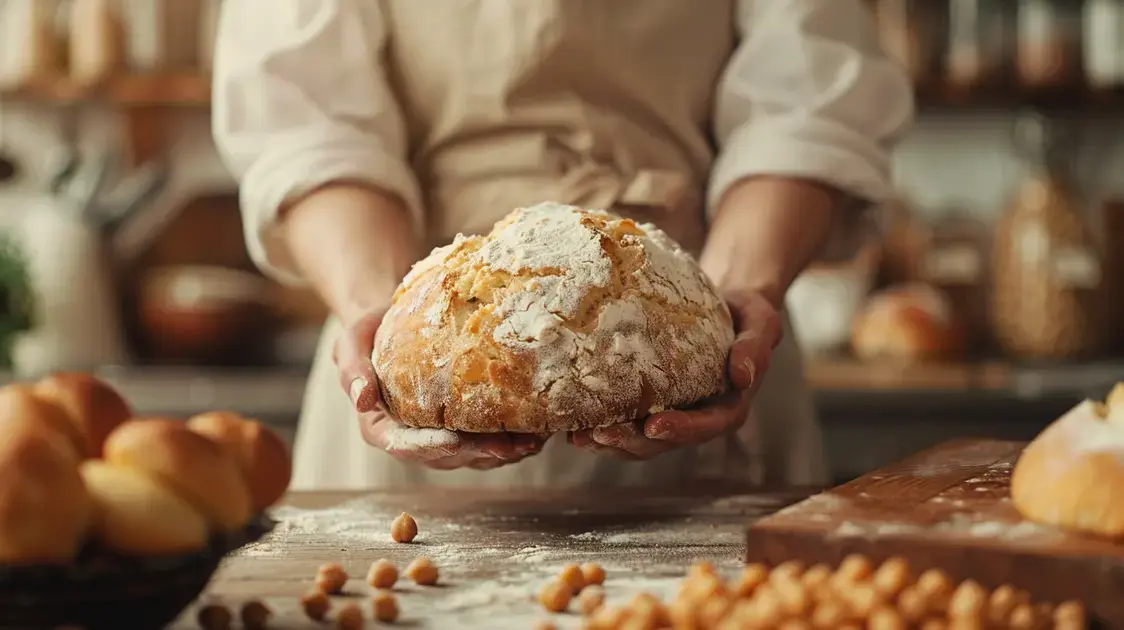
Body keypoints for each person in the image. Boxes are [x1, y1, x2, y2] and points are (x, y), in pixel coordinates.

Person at [211, 0, 914, 490]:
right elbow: (305, 119)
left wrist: (741, 293)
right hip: (419, 328)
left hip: (692, 313)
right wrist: (378, 308)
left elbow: (808, 100)